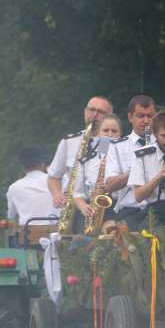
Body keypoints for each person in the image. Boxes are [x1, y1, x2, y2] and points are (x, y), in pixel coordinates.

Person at [47, 96, 113, 232]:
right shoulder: (68, 142)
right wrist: (57, 194)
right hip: (76, 205)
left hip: (106, 203)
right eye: (91, 110)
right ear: (85, 111)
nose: (94, 115)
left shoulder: (114, 143)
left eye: (100, 112)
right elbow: (54, 175)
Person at [105, 95, 157, 231]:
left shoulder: (163, 145)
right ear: (130, 117)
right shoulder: (117, 147)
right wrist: (139, 168)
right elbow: (110, 184)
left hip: (157, 209)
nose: (146, 121)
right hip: (130, 210)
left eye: (150, 116)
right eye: (140, 116)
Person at [72, 113, 122, 234]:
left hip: (116, 210)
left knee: (113, 234)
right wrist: (83, 206)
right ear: (98, 133)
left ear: (120, 134)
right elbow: (78, 193)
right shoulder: (87, 161)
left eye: (114, 131)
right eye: (106, 130)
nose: (110, 134)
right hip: (91, 211)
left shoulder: (126, 160)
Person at [6, 145, 60, 233]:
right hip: (57, 234)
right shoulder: (58, 181)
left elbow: (11, 216)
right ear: (41, 163)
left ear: (22, 166)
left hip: (28, 239)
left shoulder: (14, 187)